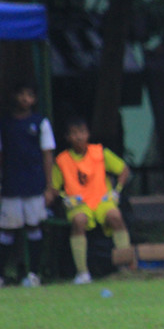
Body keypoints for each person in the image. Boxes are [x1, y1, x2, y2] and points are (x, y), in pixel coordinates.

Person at [51, 117, 131, 285]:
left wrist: (116, 192)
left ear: (88, 134)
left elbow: (123, 170)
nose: (79, 137)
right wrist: (64, 199)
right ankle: (82, 273)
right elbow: (54, 187)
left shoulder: (100, 152)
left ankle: (125, 265)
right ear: (67, 137)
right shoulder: (62, 160)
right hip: (79, 204)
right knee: (79, 221)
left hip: (102, 200)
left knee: (115, 216)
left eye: (82, 132)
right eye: (74, 133)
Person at [0, 82, 56, 287]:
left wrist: (49, 186)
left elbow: (47, 154)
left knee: (34, 227)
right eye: (21, 94)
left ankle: (33, 274)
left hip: (34, 184)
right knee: (7, 229)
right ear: (14, 97)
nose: (25, 99)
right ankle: (3, 274)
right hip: (11, 184)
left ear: (34, 99)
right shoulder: (5, 124)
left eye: (29, 95)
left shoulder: (40, 122)